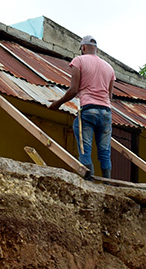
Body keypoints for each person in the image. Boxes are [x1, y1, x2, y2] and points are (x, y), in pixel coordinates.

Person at [50, 35, 116, 181]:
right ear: (96, 49)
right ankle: (108, 182)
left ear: (83, 48)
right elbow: (109, 97)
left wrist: (58, 103)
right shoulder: (109, 68)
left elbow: (73, 90)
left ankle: (89, 180)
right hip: (106, 112)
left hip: (89, 109)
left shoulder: (79, 61)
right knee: (105, 151)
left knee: (85, 147)